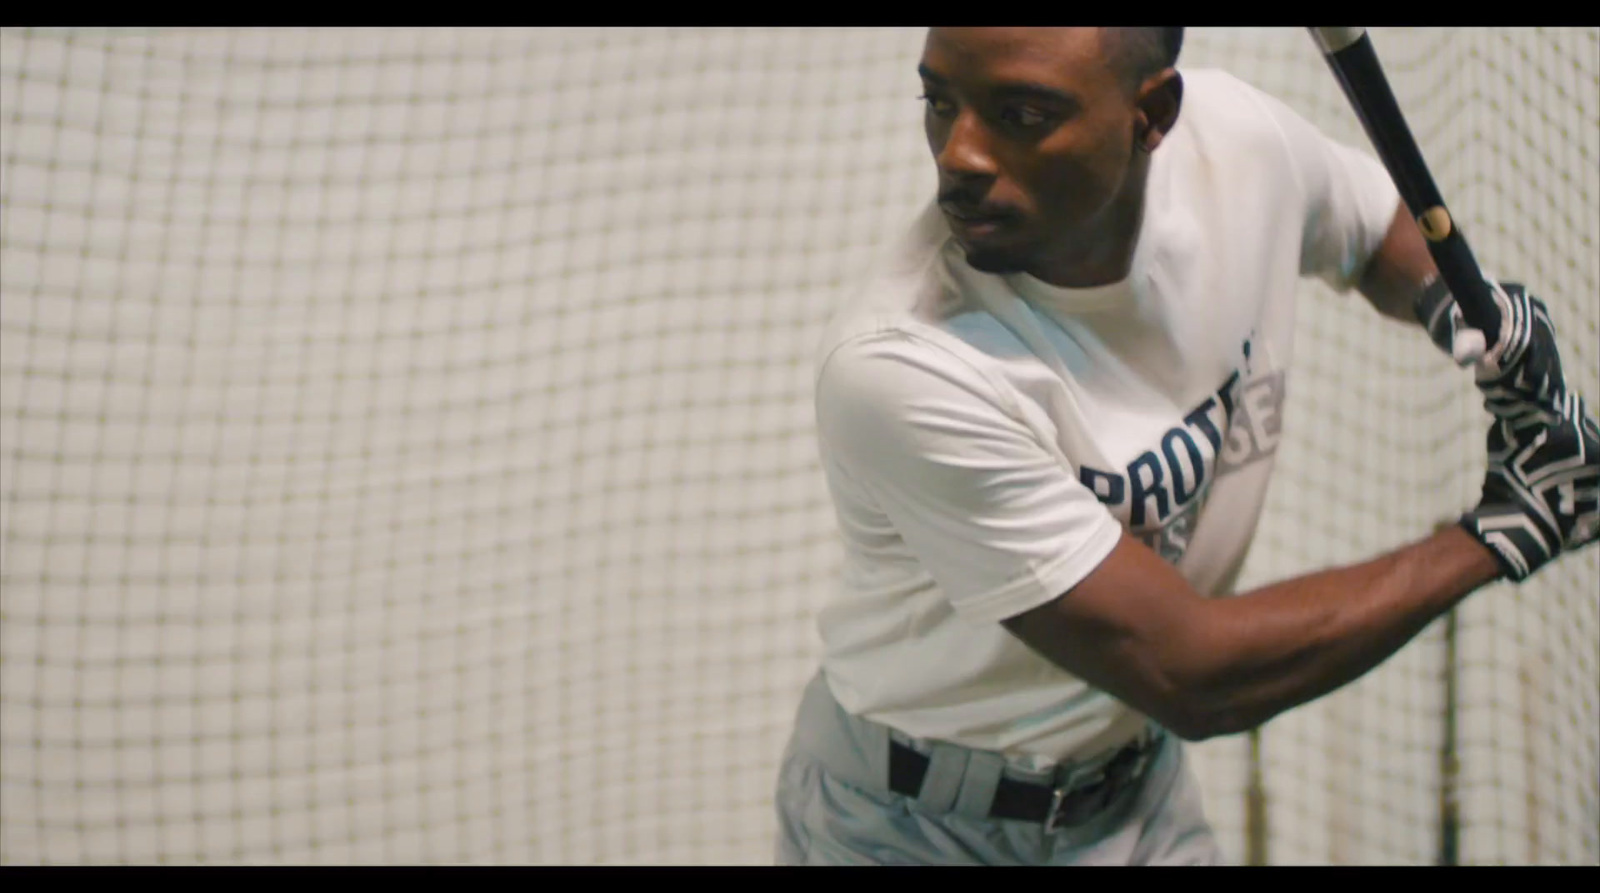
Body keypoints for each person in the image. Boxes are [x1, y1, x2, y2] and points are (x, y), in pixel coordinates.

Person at [773, 26, 1599, 866]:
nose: (961, 154)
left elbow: (1372, 224)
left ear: (1152, 113)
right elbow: (1195, 673)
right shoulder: (905, 364)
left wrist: (1462, 305)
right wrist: (1505, 530)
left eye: (1021, 113)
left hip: (1133, 794)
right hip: (914, 826)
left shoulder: (1237, 148)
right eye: (939, 101)